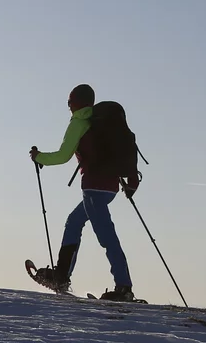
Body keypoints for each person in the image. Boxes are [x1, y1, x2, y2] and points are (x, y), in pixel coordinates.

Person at [30, 84, 141, 300]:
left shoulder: (80, 123)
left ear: (76, 102)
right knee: (74, 222)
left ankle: (124, 287)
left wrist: (38, 157)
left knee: (107, 236)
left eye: (69, 101)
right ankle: (62, 274)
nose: (69, 106)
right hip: (109, 187)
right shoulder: (100, 120)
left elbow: (63, 156)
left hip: (93, 187)